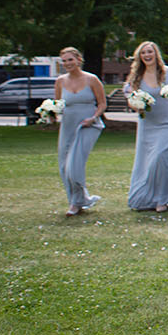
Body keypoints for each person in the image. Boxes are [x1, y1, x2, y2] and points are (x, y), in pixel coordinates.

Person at [121, 41, 168, 212]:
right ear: (139, 56)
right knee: (150, 163)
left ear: (156, 53)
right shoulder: (136, 77)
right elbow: (131, 101)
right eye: (143, 53)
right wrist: (137, 105)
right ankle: (152, 198)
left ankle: (162, 199)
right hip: (149, 125)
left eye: (149, 51)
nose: (147, 55)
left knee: (160, 157)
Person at [52, 47, 105, 216]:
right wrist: (51, 112)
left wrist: (93, 117)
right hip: (68, 126)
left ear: (78, 60)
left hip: (87, 125)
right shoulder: (60, 81)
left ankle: (76, 204)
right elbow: (57, 104)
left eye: (70, 60)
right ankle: (78, 200)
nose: (67, 63)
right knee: (64, 166)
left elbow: (102, 104)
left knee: (74, 166)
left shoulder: (92, 79)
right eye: (64, 61)